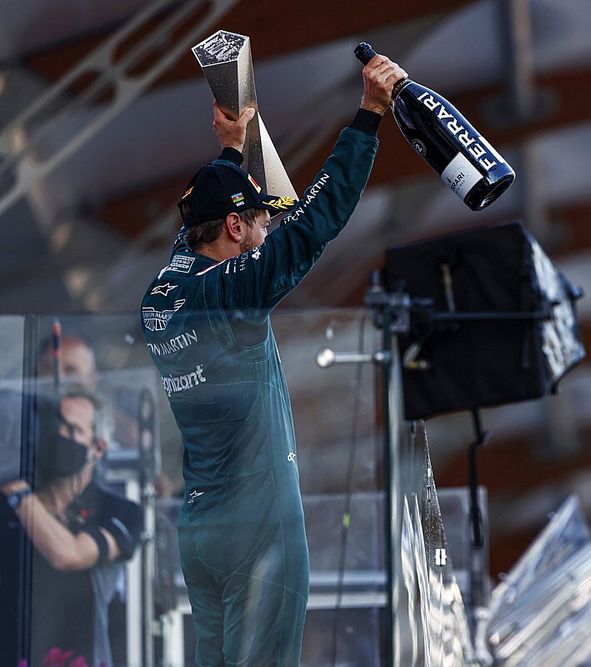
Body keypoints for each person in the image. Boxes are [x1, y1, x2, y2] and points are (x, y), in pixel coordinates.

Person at [139, 54, 406, 665]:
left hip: (202, 530)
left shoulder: (165, 290)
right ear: (235, 227)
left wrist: (232, 151)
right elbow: (317, 223)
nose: (267, 231)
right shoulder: (234, 289)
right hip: (259, 527)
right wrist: (368, 117)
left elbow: (196, 229)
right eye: (259, 222)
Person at [0, 386, 142, 667]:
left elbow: (68, 555)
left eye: (72, 429)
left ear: (98, 447)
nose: (60, 436)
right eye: (55, 426)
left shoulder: (122, 511)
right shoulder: (10, 505)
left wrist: (14, 487)